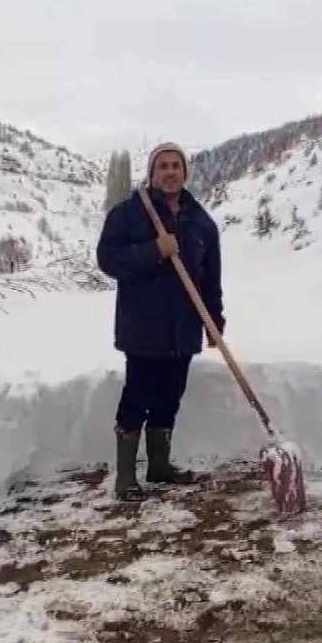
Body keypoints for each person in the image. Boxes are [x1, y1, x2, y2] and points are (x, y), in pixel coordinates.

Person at [96, 141, 226, 501]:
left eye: (176, 166)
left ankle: (159, 466)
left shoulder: (201, 223)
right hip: (142, 325)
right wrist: (154, 250)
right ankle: (125, 478)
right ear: (153, 173)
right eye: (163, 166)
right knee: (138, 395)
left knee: (170, 396)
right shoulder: (129, 214)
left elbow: (210, 280)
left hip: (183, 326)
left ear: (185, 172)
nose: (171, 172)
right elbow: (108, 260)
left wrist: (214, 322)